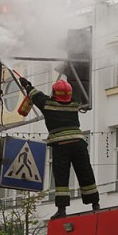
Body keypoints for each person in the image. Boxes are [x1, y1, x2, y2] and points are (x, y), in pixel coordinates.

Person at [19, 77, 99, 219]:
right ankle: (95, 205)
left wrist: (27, 84)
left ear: (54, 93)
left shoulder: (48, 104)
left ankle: (62, 210)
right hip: (78, 143)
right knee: (85, 172)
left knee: (61, 177)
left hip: (61, 146)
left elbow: (35, 95)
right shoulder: (74, 104)